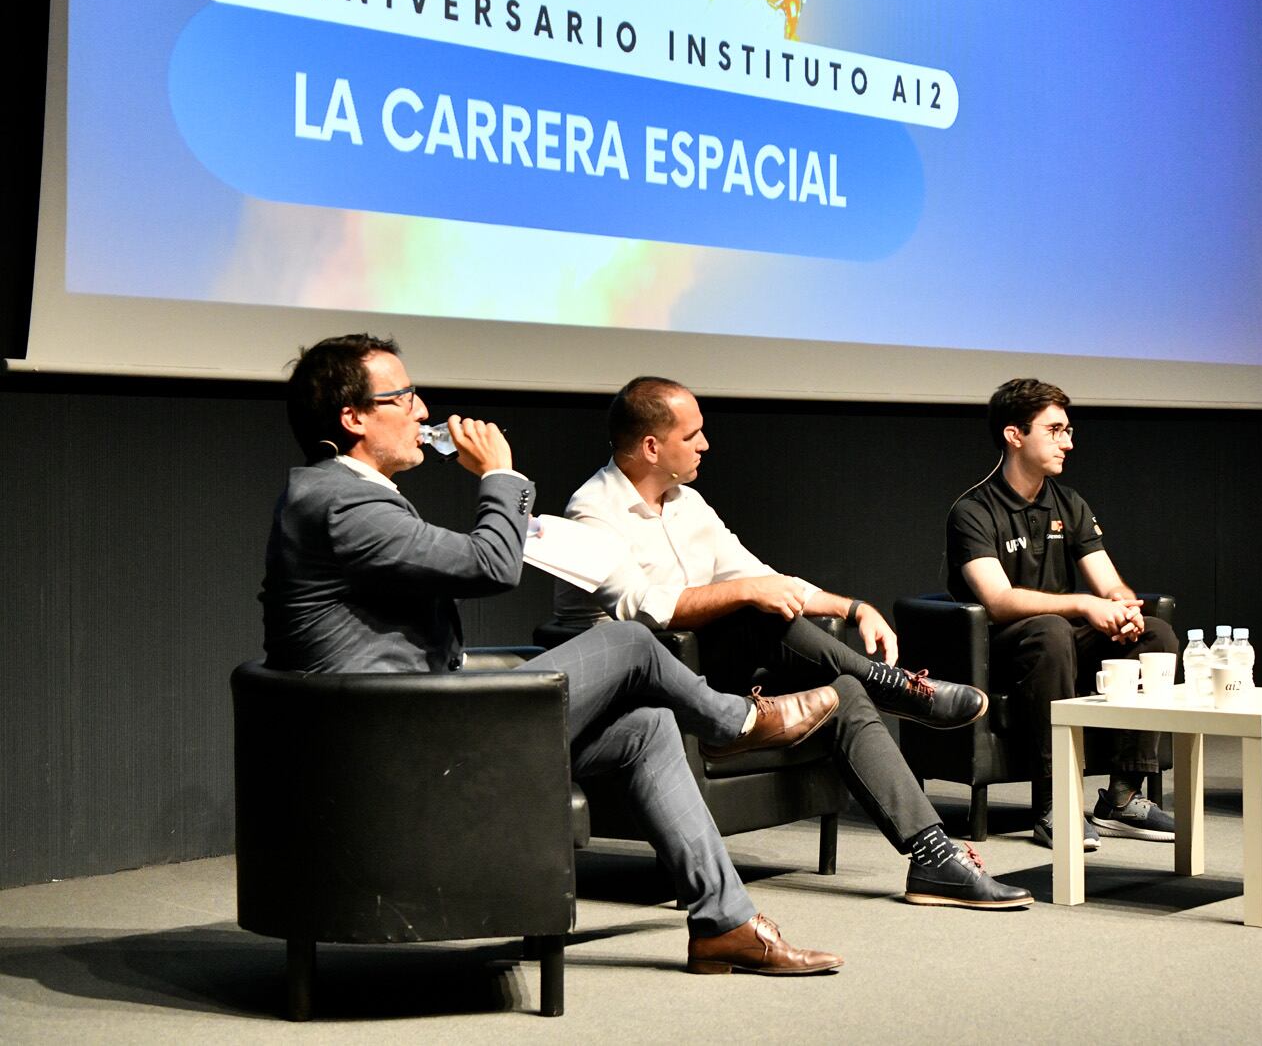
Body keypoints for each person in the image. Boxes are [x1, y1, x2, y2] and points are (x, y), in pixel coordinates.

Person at [260, 335, 844, 974]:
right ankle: (736, 722)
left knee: (648, 727)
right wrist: (501, 476)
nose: (422, 410)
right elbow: (491, 564)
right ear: (353, 417)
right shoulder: (342, 502)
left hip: (417, 726)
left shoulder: (342, 494)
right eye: (403, 397)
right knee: (629, 640)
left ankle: (723, 924)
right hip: (397, 752)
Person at [554, 377, 1031, 910]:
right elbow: (642, 608)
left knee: (844, 691)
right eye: (692, 436)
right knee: (751, 609)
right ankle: (892, 686)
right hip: (640, 692)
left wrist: (853, 608)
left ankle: (934, 857)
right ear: (651, 447)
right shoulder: (592, 511)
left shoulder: (688, 503)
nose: (705, 445)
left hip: (706, 671)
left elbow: (763, 577)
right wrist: (748, 593)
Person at [945, 378, 1178, 849]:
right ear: (1015, 435)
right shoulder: (973, 510)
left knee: (1155, 634)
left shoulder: (1068, 503)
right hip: (1001, 648)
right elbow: (998, 600)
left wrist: (1123, 607)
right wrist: (1084, 605)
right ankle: (1056, 804)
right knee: (1051, 631)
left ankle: (1122, 798)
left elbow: (1108, 582)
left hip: (1061, 640)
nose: (1067, 443)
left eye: (1067, 430)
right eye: (1054, 430)